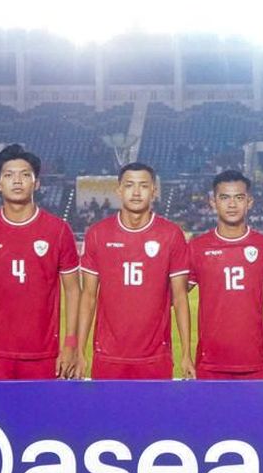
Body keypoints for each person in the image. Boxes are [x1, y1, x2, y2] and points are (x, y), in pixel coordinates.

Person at [0, 144, 80, 380]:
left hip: (43, 353)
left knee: (41, 417)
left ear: (36, 183)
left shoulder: (58, 231)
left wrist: (71, 343)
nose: (17, 181)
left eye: (25, 175)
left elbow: (73, 290)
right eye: (9, 175)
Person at [76, 162, 193, 380]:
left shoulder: (171, 234)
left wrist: (186, 353)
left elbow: (179, 297)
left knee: (155, 414)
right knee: (108, 414)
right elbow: (88, 296)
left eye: (144, 186)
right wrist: (79, 351)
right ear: (119, 190)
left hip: (156, 356)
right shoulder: (98, 234)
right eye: (130, 185)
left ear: (154, 191)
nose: (137, 192)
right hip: (108, 356)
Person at [187, 170, 263, 379]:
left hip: (254, 361)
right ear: (213, 202)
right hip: (210, 362)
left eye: (239, 197)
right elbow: (174, 296)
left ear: (249, 202)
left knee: (255, 413)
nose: (232, 204)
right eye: (224, 197)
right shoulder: (197, 247)